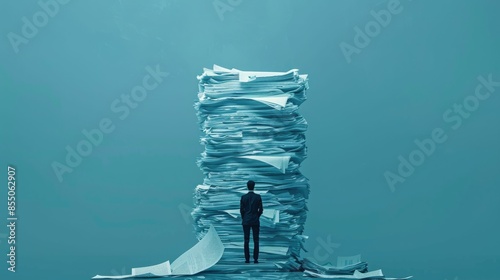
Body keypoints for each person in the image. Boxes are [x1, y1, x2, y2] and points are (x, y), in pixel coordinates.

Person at [240, 180, 263, 263]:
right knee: (256, 240)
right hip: (255, 220)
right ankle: (256, 259)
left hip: (246, 220)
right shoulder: (258, 197)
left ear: (247, 186)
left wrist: (244, 217)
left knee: (246, 240)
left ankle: (247, 259)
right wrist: (257, 216)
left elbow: (241, 210)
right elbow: (261, 210)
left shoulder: (243, 197)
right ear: (254, 186)